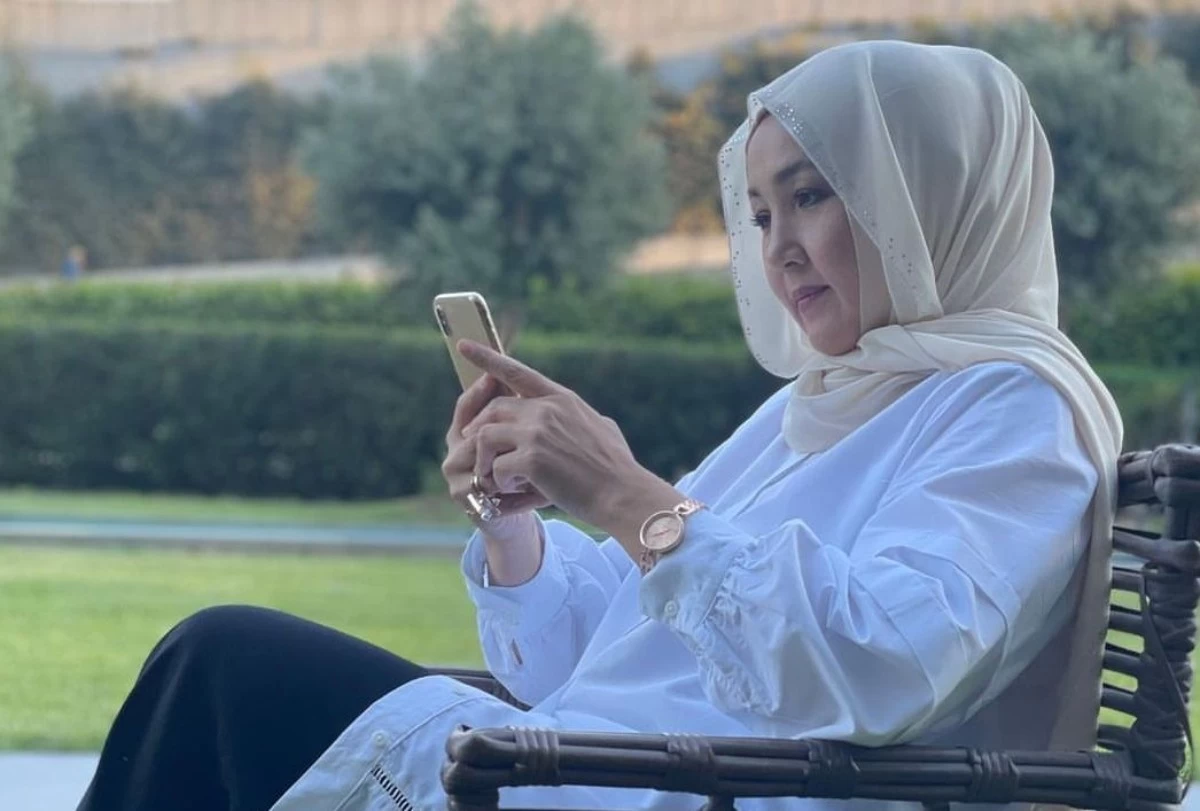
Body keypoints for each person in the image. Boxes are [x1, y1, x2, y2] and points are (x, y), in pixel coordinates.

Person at [77, 40, 1123, 811]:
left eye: (812, 195)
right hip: (611, 766)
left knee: (221, 661)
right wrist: (516, 527)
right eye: (762, 214)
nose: (779, 248)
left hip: (686, 790)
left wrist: (625, 494)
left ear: (934, 196)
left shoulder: (1012, 407)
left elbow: (888, 662)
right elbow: (628, 648)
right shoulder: (823, 402)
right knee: (217, 668)